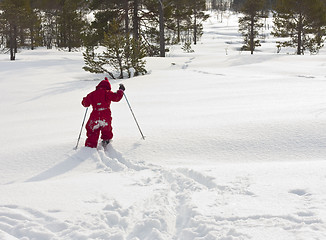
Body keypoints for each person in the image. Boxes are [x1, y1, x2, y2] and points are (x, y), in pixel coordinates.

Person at [81, 77, 125, 148]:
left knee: (92, 129)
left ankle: (90, 145)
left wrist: (84, 99)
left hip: (95, 114)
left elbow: (85, 104)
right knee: (107, 128)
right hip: (106, 114)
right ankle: (106, 141)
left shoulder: (92, 94)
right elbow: (117, 98)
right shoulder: (107, 93)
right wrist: (121, 90)